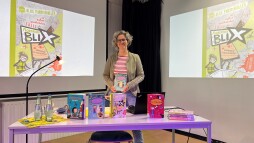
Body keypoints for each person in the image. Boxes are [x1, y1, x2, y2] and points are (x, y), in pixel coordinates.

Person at [103, 30, 145, 143]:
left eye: (124, 39)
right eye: (119, 40)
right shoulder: (112, 58)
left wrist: (129, 85)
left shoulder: (135, 57)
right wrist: (111, 85)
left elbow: (141, 75)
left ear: (128, 41)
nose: (122, 42)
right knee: (113, 123)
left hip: (130, 93)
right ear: (116, 43)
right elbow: (105, 75)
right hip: (114, 93)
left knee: (136, 124)